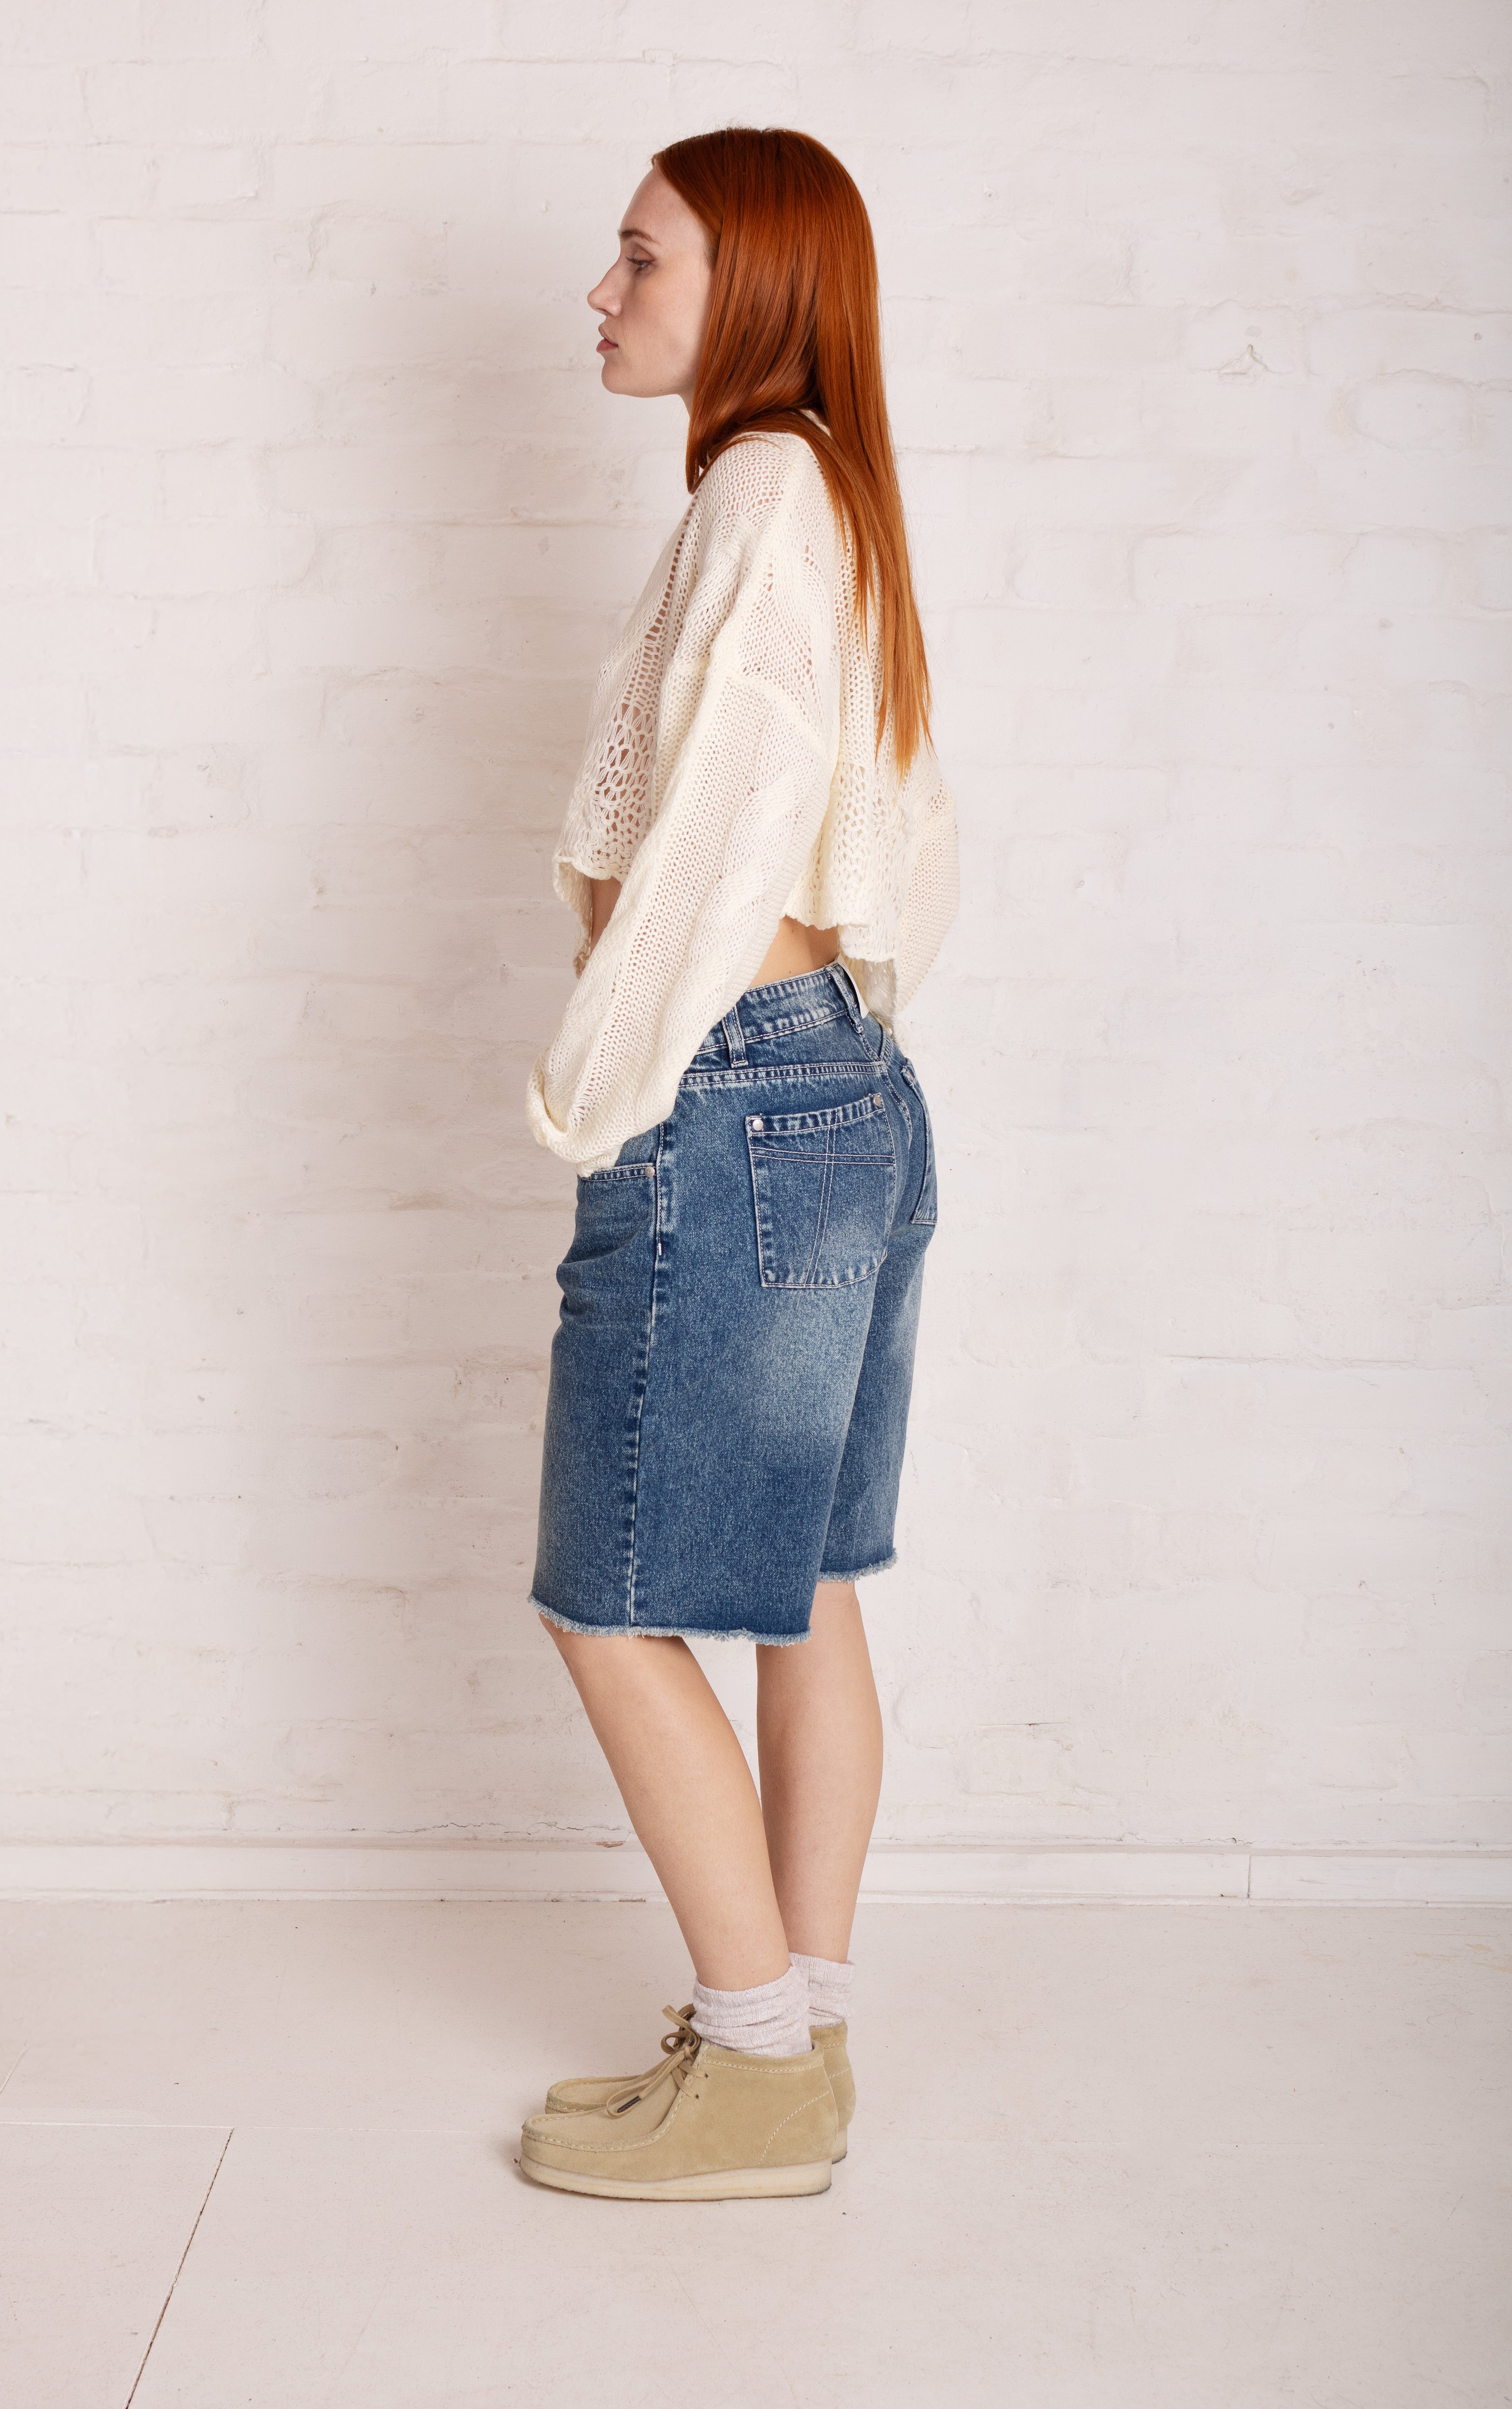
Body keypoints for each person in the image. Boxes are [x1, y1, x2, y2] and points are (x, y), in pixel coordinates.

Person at [517, 127, 959, 2201]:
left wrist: (602, 1085)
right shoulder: (824, 490)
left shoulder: (762, 491)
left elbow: (708, 844)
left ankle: (763, 2072)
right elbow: (885, 834)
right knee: (799, 1593)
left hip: (737, 1092)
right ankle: (792, 2034)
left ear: (754, 285)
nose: (601, 297)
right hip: (841, 1083)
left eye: (642, 260)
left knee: (611, 1605)